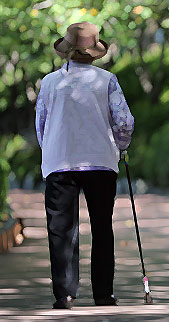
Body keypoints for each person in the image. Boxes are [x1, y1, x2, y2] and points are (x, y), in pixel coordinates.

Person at [35, 22, 134, 309]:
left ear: (67, 51)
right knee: (102, 227)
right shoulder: (107, 80)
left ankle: (64, 294)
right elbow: (124, 122)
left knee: (61, 229)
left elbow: (41, 125)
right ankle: (103, 293)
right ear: (93, 52)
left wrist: (52, 148)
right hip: (100, 162)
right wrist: (121, 146)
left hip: (60, 161)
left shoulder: (50, 82)